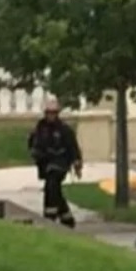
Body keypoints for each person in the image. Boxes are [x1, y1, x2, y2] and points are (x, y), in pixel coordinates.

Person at [27, 98, 83, 228]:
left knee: (51, 186)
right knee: (55, 190)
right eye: (49, 113)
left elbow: (73, 147)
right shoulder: (40, 128)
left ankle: (49, 217)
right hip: (45, 163)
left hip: (60, 163)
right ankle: (67, 219)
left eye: (53, 113)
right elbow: (33, 144)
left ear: (57, 113)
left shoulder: (64, 130)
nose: (51, 116)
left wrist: (77, 164)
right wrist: (35, 153)